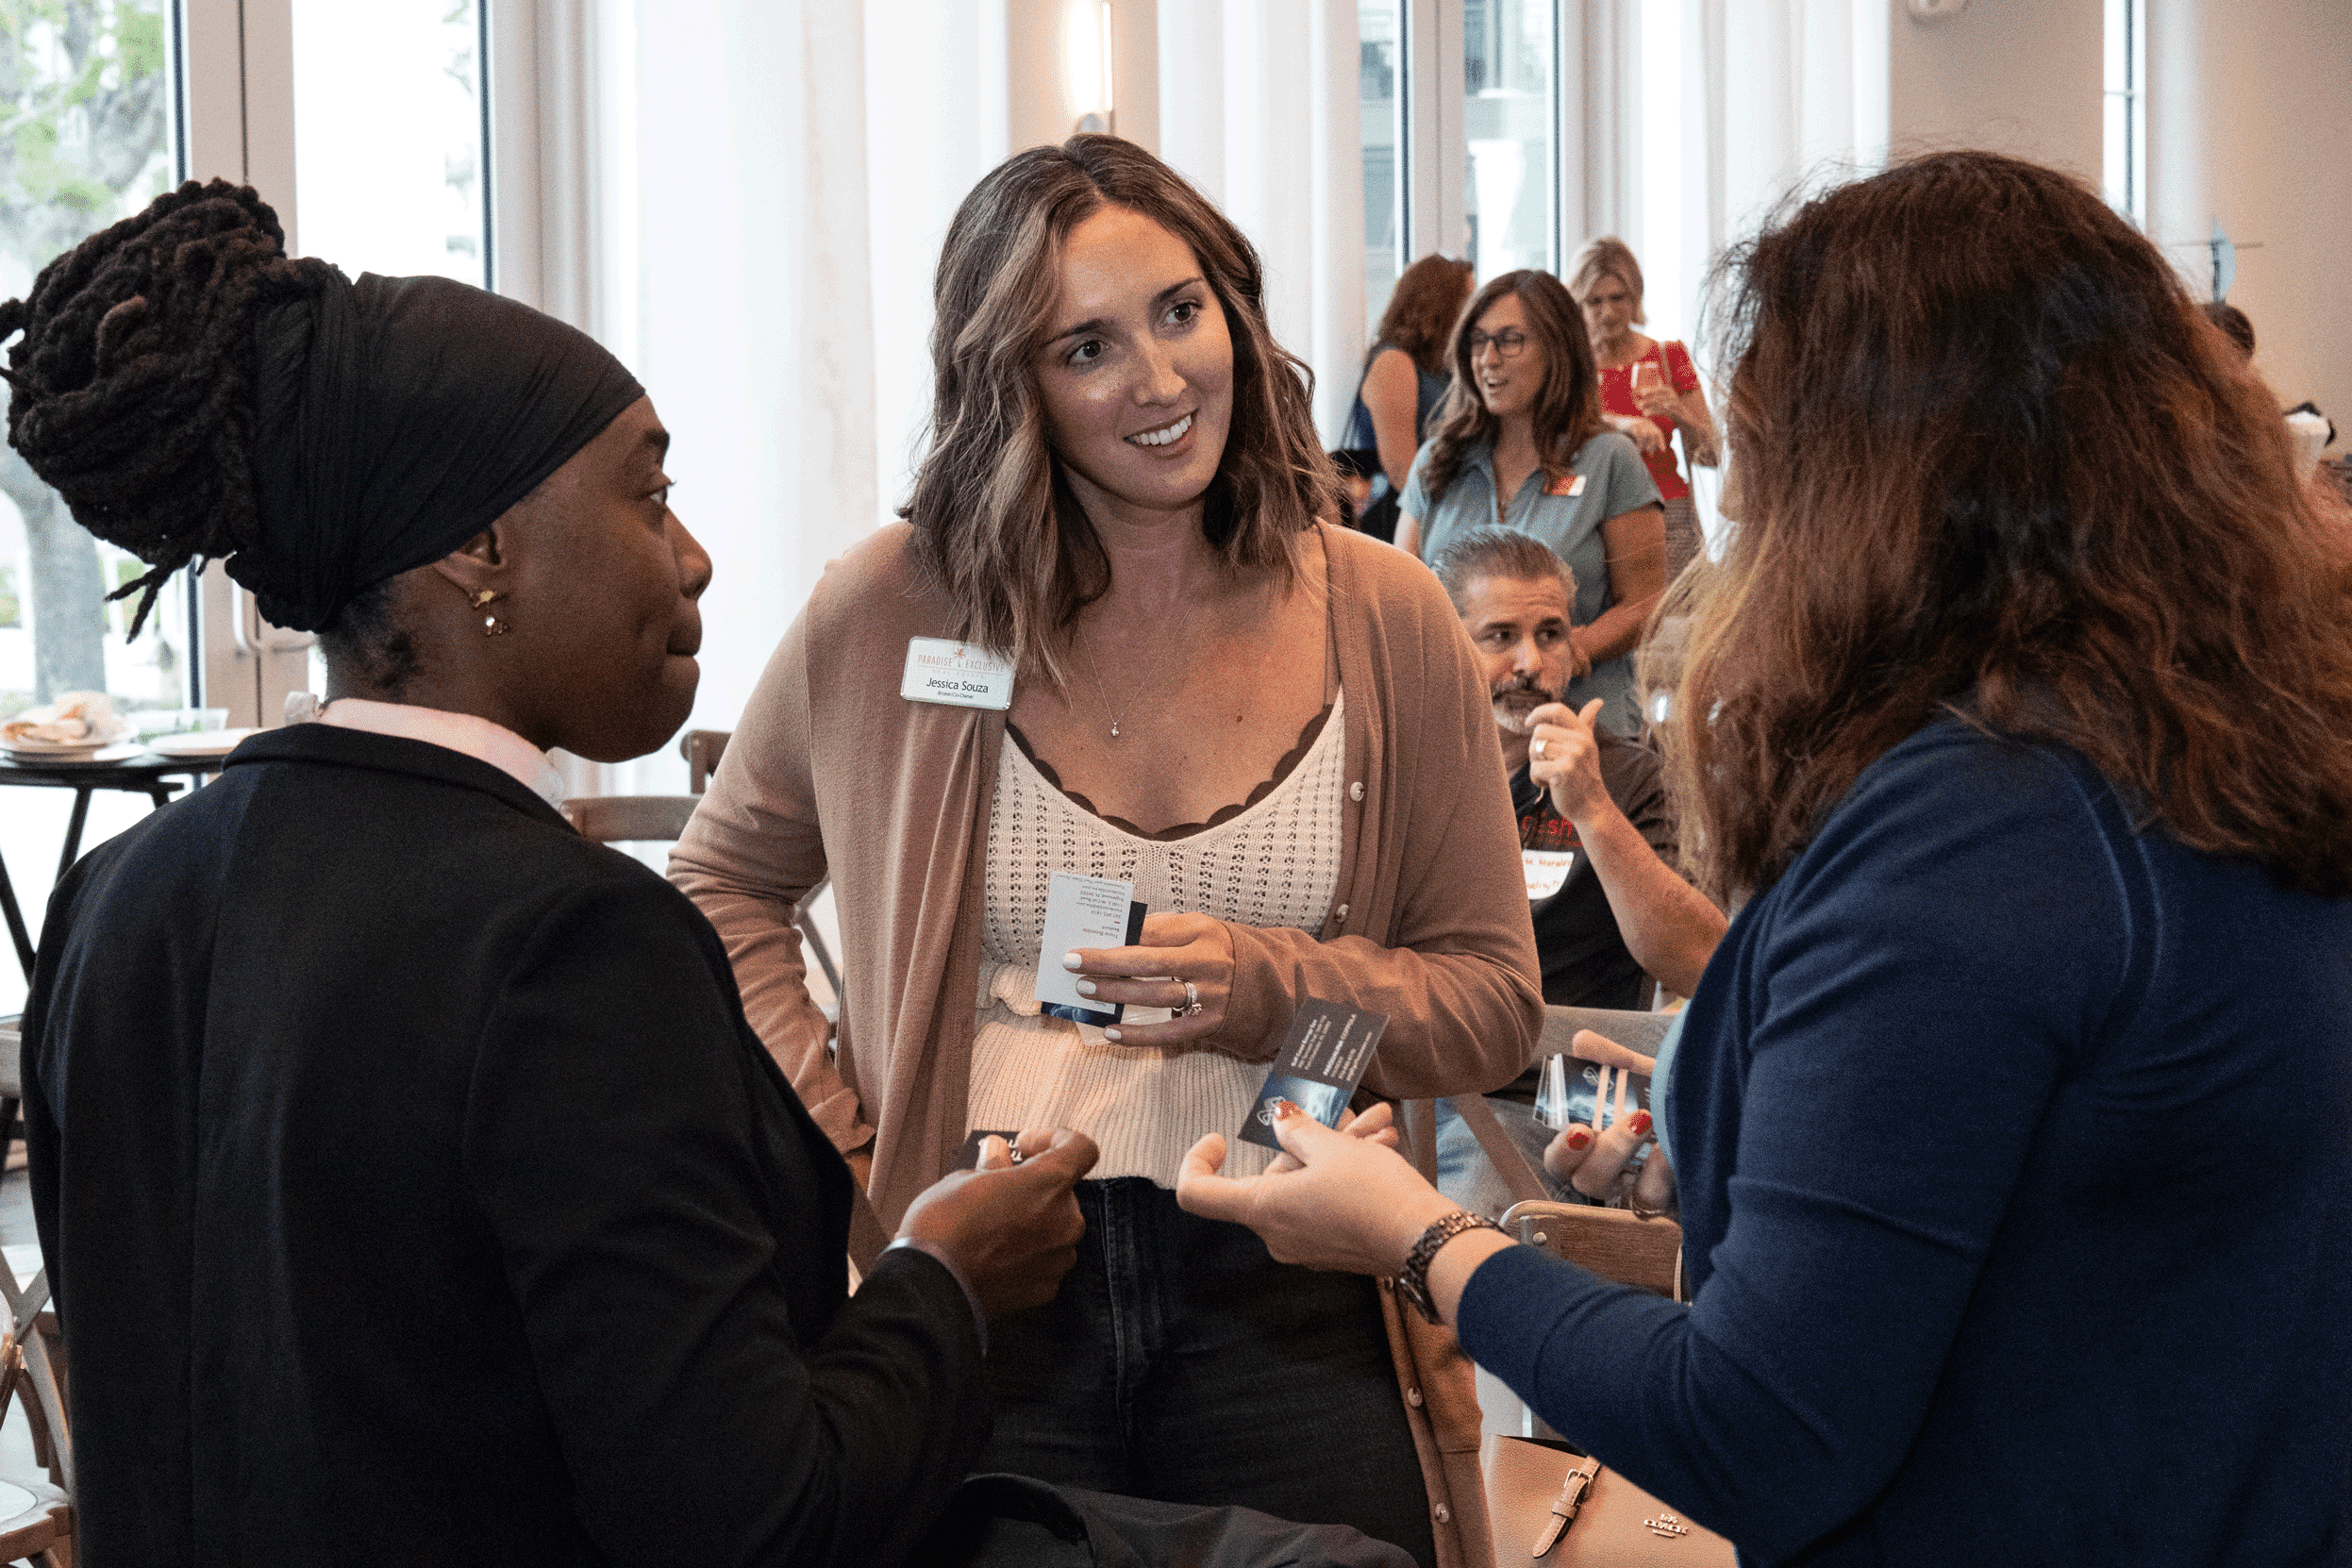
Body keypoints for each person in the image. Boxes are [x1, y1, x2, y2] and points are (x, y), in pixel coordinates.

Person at [1176, 150, 2352, 1567]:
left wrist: (1419, 1237)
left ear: (1875, 485)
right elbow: (2073, 1173)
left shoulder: (1980, 827)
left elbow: (1756, 1427)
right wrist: (1741, 1156)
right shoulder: (2211, 738)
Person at [6, 179, 1111, 1568]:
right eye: (648, 492)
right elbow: (754, 1521)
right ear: (482, 547)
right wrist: (944, 1281)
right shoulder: (573, 944)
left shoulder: (117, 898)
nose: (695, 553)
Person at [670, 135, 1542, 1568]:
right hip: (999, 1265)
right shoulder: (899, 605)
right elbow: (719, 881)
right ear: (1012, 384)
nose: (1157, 379)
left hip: (1290, 1262)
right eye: (1085, 344)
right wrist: (854, 1147)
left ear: (1237, 316)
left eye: (1181, 311)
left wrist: (1270, 986)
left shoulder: (1384, 612)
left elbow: (1493, 998)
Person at [1424, 526, 1725, 1215]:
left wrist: (1588, 806)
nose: (1529, 662)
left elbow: (1699, 962)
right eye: (1498, 636)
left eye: (1551, 634)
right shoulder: (1401, 766)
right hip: (1401, 1079)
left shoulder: (1626, 777)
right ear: (1442, 645)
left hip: (1552, 1091)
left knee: (1455, 1249)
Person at [1394, 270, 1665, 739]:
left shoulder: (1608, 459)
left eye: (1510, 341)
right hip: (1459, 735)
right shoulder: (1438, 461)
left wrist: (1562, 653)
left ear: (1557, 349)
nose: (1488, 359)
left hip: (1578, 731)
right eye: (1478, 343)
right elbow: (1401, 597)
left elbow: (1645, 603)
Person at [1569, 237, 1718, 580]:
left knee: (1676, 625)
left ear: (1635, 295)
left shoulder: (1669, 357)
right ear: (1578, 304)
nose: (1607, 312)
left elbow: (1711, 456)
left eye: (1617, 298)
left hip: (1669, 510)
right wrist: (1620, 422)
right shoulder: (1572, 367)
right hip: (1595, 513)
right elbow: (1561, 432)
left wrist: (1681, 412)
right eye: (1594, 301)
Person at [1337, 254, 1474, 543]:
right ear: (1438, 305)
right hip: (1403, 522)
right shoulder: (1394, 362)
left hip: (1427, 514)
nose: (1475, 313)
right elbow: (1402, 471)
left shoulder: (1440, 366)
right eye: (1467, 300)